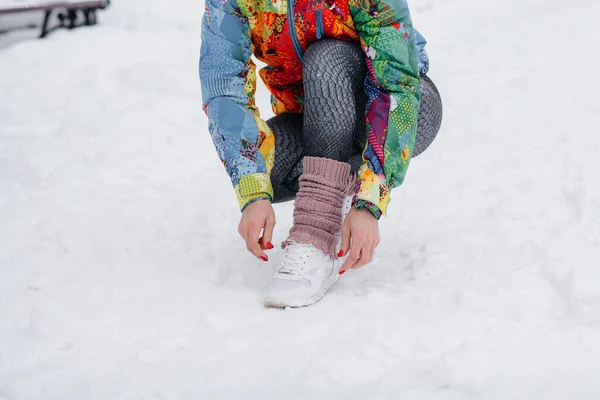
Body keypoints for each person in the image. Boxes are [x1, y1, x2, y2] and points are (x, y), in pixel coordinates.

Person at [199, 0, 442, 308]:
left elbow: (396, 84)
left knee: (326, 57)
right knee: (266, 169)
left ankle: (316, 234)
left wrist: (370, 200)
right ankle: (330, 192)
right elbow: (223, 88)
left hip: (403, 110)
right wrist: (252, 191)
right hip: (318, 120)